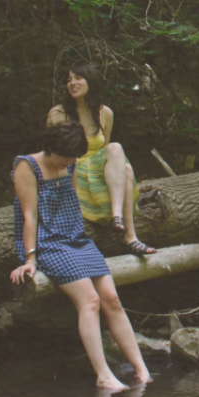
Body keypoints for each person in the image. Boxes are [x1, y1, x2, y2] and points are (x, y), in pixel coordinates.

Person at [10, 122, 151, 391]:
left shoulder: (71, 164)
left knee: (112, 299)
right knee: (90, 300)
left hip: (76, 238)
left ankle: (141, 370)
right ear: (51, 149)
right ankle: (103, 375)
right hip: (47, 242)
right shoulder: (27, 167)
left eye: (74, 157)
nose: (71, 162)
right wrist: (29, 259)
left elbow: (73, 198)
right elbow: (29, 216)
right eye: (67, 157)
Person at [46, 63, 157, 256]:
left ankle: (117, 218)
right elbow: (49, 155)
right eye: (69, 80)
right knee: (128, 171)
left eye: (78, 78)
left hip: (96, 168)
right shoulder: (58, 114)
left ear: (91, 81)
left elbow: (104, 151)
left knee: (115, 148)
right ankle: (130, 237)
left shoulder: (105, 113)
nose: (72, 83)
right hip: (71, 169)